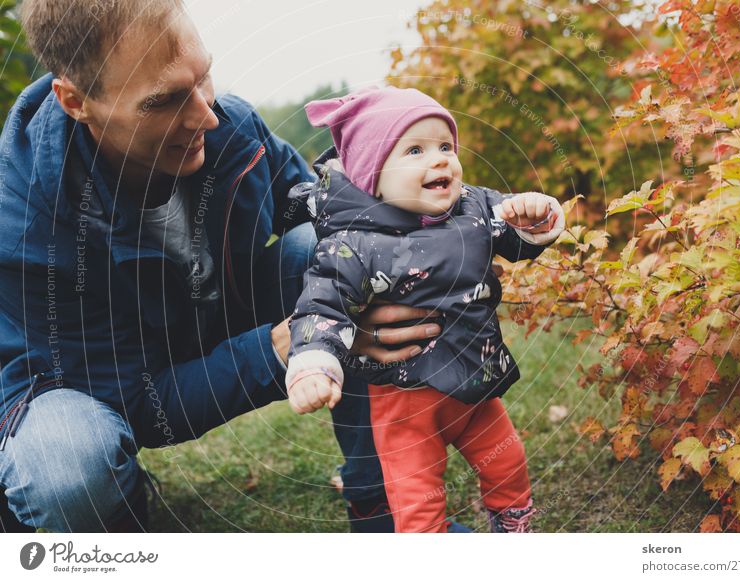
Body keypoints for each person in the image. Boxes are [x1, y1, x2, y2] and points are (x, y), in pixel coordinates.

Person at [0, 0, 442, 533]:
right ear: (75, 102)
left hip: (200, 319)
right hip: (76, 391)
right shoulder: (27, 227)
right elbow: (138, 405)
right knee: (68, 465)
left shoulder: (230, 126)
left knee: (341, 253)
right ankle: (109, 508)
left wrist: (409, 197)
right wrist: (289, 344)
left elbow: (315, 206)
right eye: (162, 102)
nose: (205, 116)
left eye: (203, 77)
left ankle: (382, 512)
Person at [282, 87, 565, 532]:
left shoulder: (474, 208)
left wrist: (536, 217)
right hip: (406, 405)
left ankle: (513, 528)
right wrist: (314, 364)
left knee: (508, 467)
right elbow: (322, 305)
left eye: (445, 147)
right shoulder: (353, 243)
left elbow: (518, 234)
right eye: (415, 150)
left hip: (476, 384)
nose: (439, 160)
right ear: (372, 175)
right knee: (418, 502)